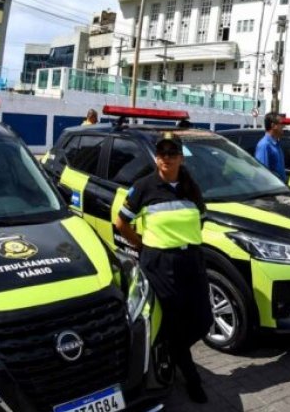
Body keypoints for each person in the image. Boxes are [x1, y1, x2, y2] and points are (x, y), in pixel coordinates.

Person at [115, 133, 210, 403]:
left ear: (181, 157)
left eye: (172, 153)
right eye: (161, 153)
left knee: (203, 320)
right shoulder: (144, 186)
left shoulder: (191, 187)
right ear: (156, 157)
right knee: (174, 322)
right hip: (160, 264)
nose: (166, 158)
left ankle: (170, 349)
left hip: (192, 261)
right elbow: (121, 223)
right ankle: (191, 377)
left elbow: (200, 221)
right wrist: (144, 246)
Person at [254, 113, 287, 183]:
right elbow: (262, 174)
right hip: (272, 189)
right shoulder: (264, 145)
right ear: (273, 126)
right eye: (281, 124)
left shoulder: (276, 144)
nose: (284, 126)